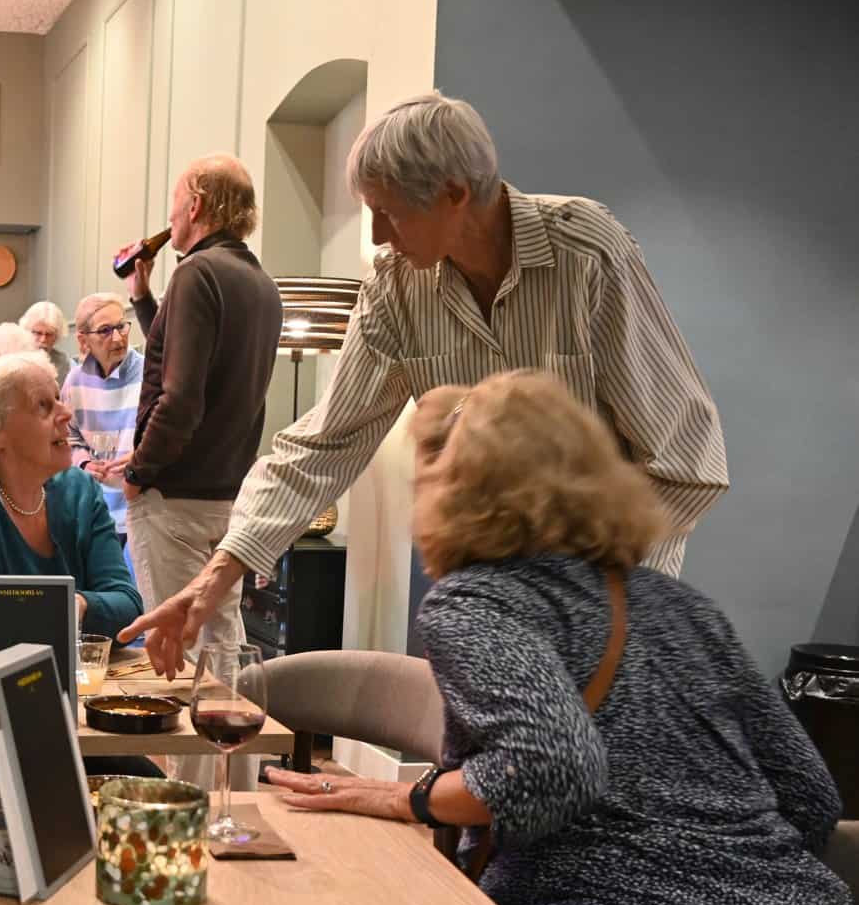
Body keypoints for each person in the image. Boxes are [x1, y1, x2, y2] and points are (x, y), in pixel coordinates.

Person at [270, 371, 859, 905]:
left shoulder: (477, 601)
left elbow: (551, 764)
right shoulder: (681, 605)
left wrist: (409, 796)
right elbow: (812, 797)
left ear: (463, 488)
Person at [124, 92, 729, 676]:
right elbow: (325, 442)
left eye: (389, 212)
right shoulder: (395, 286)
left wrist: (587, 590)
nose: (378, 236)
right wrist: (215, 576)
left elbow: (688, 457)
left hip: (610, 609)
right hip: (491, 613)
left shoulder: (586, 254)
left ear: (456, 194)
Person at [115, 153, 282, 789]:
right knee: (223, 648)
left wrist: (139, 469)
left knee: (173, 652)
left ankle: (184, 803)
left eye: (175, 201)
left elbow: (180, 395)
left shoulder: (196, 274)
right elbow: (189, 358)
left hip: (174, 495)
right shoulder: (256, 281)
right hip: (228, 500)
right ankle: (231, 797)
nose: (169, 214)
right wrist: (142, 296)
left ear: (197, 206)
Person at [0, 350, 152, 783]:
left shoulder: (78, 490)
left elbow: (127, 604)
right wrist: (71, 612)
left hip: (51, 707)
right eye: (44, 405)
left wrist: (71, 606)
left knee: (150, 791)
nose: (66, 413)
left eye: (59, 399)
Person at [62, 292, 143, 546]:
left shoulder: (150, 372)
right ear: (83, 339)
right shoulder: (74, 382)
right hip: (95, 510)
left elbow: (171, 434)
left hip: (142, 511)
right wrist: (84, 462)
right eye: (105, 330)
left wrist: (142, 455)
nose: (118, 337)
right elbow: (68, 437)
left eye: (121, 326)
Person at [19, 300, 71, 382]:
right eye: (38, 333)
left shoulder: (63, 363)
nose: (43, 340)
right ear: (27, 331)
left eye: (49, 334)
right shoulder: (16, 358)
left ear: (57, 336)